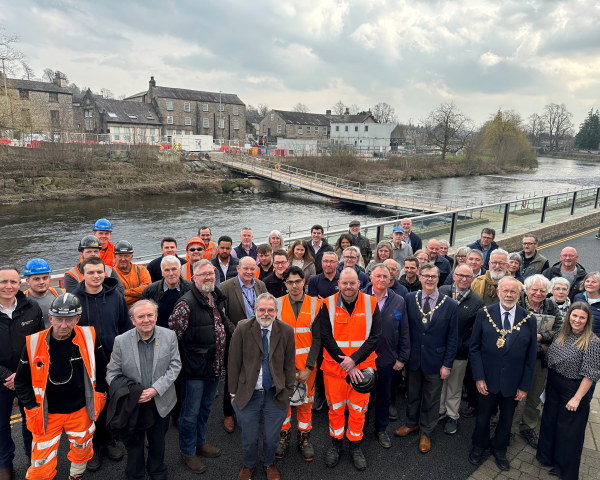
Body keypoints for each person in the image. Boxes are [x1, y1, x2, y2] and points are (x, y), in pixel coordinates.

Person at [15, 293, 107, 480]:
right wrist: (32, 406)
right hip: (47, 414)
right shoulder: (34, 343)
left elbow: (103, 368)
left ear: (77, 319)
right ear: (50, 318)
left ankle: (76, 476)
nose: (63, 325)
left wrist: (99, 395)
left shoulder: (89, 336)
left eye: (69, 320)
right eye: (58, 319)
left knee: (82, 449)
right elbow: (21, 381)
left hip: (81, 410)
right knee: (40, 464)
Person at [168, 260, 232, 474]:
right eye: (203, 274)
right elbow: (172, 338)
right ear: (193, 278)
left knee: (205, 408)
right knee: (190, 412)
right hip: (194, 369)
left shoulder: (216, 298)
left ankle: (200, 441)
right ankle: (187, 451)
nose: (208, 277)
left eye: (211, 274)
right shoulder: (185, 304)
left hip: (214, 366)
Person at [468, 277, 538, 472]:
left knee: (507, 418)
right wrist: (479, 377)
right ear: (498, 292)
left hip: (513, 381)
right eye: (505, 291)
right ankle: (479, 445)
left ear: (519, 294)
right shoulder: (484, 314)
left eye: (513, 292)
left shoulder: (529, 319)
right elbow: (474, 349)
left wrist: (524, 386)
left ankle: (499, 448)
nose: (509, 295)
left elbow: (530, 357)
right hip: (487, 379)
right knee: (482, 417)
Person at [107, 299, 181, 480]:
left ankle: (157, 471)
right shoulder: (121, 341)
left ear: (156, 317)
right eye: (141, 316)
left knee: (158, 442)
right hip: (134, 405)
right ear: (133, 320)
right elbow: (112, 372)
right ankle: (135, 474)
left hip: (160, 400)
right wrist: (130, 394)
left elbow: (175, 366)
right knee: (134, 444)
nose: (146, 319)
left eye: (150, 315)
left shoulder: (169, 336)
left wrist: (156, 389)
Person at [316, 268, 381, 471]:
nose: (348, 287)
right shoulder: (327, 304)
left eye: (352, 283)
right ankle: (336, 444)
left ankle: (355, 446)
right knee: (335, 409)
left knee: (358, 410)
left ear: (359, 284)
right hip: (334, 370)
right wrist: (346, 362)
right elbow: (326, 337)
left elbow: (374, 337)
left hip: (362, 370)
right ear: (339, 284)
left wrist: (353, 360)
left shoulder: (371, 303)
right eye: (344, 283)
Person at [228, 293, 296, 480]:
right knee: (249, 437)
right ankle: (249, 465)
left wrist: (288, 391)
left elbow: (290, 364)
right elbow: (233, 362)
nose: (265, 314)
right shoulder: (242, 328)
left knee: (272, 437)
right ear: (255, 310)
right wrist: (233, 393)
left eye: (270, 310)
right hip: (247, 393)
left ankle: (268, 462)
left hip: (275, 393)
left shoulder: (287, 331)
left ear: (276, 311)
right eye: (261, 310)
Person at [72, 257, 130, 471]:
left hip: (111, 360)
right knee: (88, 407)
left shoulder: (116, 297)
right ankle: (92, 446)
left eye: (100, 272)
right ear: (82, 274)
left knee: (108, 403)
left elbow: (124, 327)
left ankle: (109, 439)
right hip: (83, 363)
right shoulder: (74, 299)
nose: (96, 276)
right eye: (91, 272)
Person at [395, 263, 458, 453]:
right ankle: (411, 423)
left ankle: (426, 431)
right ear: (420, 278)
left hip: (436, 361)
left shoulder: (450, 304)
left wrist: (447, 364)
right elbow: (403, 329)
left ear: (439, 279)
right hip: (414, 359)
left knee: (431, 399)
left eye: (433, 276)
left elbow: (452, 338)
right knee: (412, 395)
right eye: (426, 276)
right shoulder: (409, 298)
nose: (429, 279)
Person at [537, 302, 600, 480]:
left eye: (582, 317)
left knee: (569, 431)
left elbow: (590, 374)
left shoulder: (593, 342)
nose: (577, 320)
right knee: (549, 422)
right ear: (569, 316)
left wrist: (578, 398)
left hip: (574, 388)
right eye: (574, 315)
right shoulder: (562, 333)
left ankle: (564, 469)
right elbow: (552, 360)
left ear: (588, 320)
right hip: (554, 383)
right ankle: (547, 457)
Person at [0, 266, 44, 480]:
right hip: (1, 382)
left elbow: (41, 344)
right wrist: (6, 376)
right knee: (0, 427)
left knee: (31, 422)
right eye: (3, 281)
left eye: (13, 282)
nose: (8, 286)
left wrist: (21, 374)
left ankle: (32, 458)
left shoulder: (32, 308)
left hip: (27, 379)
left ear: (20, 284)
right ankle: (4, 466)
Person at [274, 267, 321, 461]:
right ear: (285, 285)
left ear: (304, 281)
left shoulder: (316, 305)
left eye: (297, 281)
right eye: (290, 282)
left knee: (305, 405)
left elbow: (318, 339)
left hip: (306, 368)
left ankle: (304, 439)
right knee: (282, 405)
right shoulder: (276, 305)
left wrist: (308, 368)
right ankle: (283, 438)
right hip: (282, 368)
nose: (294, 285)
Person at [512, 274, 562, 448]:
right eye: (534, 289)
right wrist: (538, 342)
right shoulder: (517, 304)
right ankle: (509, 429)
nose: (538, 293)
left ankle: (528, 426)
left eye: (543, 290)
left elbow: (559, 329)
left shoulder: (551, 305)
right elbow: (512, 331)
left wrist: (541, 336)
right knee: (513, 394)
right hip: (517, 359)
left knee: (534, 396)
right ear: (526, 289)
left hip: (540, 360)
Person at [362, 264, 409, 449]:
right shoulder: (360, 297)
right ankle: (361, 428)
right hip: (363, 359)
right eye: (378, 276)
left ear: (391, 279)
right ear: (371, 277)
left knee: (383, 396)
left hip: (387, 358)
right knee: (363, 398)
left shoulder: (399, 300)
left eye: (385, 277)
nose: (382, 280)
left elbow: (404, 330)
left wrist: (402, 357)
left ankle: (381, 429)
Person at [219, 257, 268, 434]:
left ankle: (250, 408)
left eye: (252, 269)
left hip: (259, 336)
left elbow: (267, 308)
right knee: (233, 374)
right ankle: (228, 414)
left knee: (255, 373)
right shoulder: (225, 287)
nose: (249, 272)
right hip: (236, 338)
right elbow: (222, 316)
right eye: (245, 268)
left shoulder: (260, 285)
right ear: (238, 268)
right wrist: (240, 332)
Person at [438, 264, 484, 435]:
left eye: (468, 277)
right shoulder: (441, 291)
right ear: (454, 276)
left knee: (455, 386)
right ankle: (440, 411)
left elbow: (477, 330)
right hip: (439, 350)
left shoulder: (477, 301)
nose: (464, 279)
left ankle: (452, 415)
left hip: (460, 352)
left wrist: (464, 346)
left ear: (472, 279)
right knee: (440, 383)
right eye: (460, 275)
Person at [306, 251, 339, 412]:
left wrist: (323, 302)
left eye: (332, 261)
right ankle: (321, 393)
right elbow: (313, 304)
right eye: (325, 261)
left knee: (337, 359)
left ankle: (336, 393)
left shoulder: (342, 279)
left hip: (340, 327)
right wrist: (332, 303)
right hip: (320, 326)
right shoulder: (314, 280)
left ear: (337, 264)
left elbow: (345, 302)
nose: (328, 264)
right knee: (320, 361)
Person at [141, 255, 193, 329]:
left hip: (186, 334)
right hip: (160, 334)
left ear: (180, 269)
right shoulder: (150, 291)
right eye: (167, 270)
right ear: (162, 272)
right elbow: (144, 315)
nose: (171, 273)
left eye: (174, 269)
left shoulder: (191, 288)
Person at [23, 258, 65, 328]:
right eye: (36, 279)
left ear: (49, 278)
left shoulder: (61, 294)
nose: (42, 282)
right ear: (28, 281)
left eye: (45, 278)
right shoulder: (22, 301)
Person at [113, 240, 152, 308]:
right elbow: (115, 299)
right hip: (121, 311)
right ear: (115, 257)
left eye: (126, 256)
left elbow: (147, 290)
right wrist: (138, 294)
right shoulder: (111, 273)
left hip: (141, 309)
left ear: (131, 257)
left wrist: (124, 292)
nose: (123, 259)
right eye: (120, 256)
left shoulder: (141, 270)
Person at [573, 272, 600, 337]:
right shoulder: (578, 297)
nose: (589, 284)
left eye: (594, 282)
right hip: (577, 337)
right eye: (587, 281)